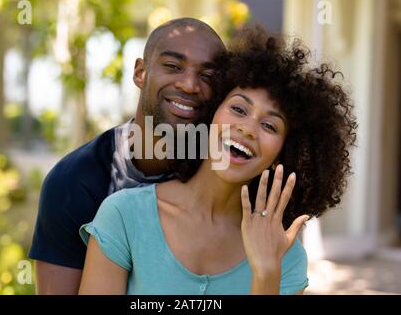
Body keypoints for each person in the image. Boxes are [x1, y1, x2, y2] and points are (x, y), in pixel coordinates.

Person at [78, 25, 357, 294]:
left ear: (283, 154)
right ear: (211, 115)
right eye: (238, 109)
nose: (247, 128)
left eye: (270, 126)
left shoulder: (285, 255)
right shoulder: (124, 216)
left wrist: (266, 274)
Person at [28, 18, 226, 294]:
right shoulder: (74, 182)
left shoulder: (227, 177)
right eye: (173, 66)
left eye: (208, 76)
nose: (190, 85)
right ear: (140, 73)